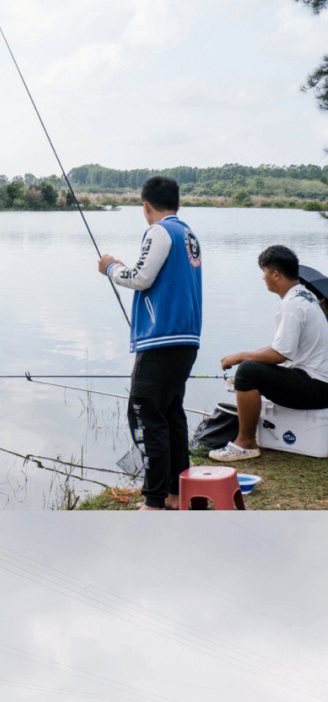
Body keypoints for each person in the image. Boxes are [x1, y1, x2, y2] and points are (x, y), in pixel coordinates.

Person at [97, 175, 203, 509]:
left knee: (144, 412)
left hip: (162, 339)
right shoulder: (188, 233)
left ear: (146, 206)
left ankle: (154, 500)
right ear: (178, 203)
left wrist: (111, 268)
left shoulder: (158, 231)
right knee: (170, 413)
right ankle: (175, 492)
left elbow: (140, 276)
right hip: (186, 339)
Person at [210, 245, 328, 462]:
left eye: (264, 271)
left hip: (317, 387)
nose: (263, 277)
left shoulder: (292, 305)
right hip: (318, 382)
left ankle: (245, 443)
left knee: (247, 371)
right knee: (253, 369)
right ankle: (247, 438)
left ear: (275, 274)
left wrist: (240, 356)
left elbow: (279, 355)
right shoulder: (306, 296)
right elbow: (284, 351)